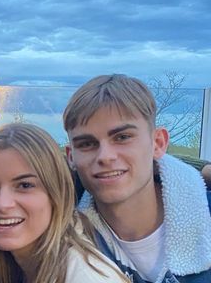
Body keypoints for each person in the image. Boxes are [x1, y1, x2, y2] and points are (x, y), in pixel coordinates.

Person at [64, 74, 211, 283]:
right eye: (86, 144)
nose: (105, 156)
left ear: (158, 143)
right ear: (71, 157)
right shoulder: (63, 242)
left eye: (122, 137)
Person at [0, 123, 127, 283]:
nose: (2, 204)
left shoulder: (86, 277)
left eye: (24, 185)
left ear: (57, 194)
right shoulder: (13, 266)